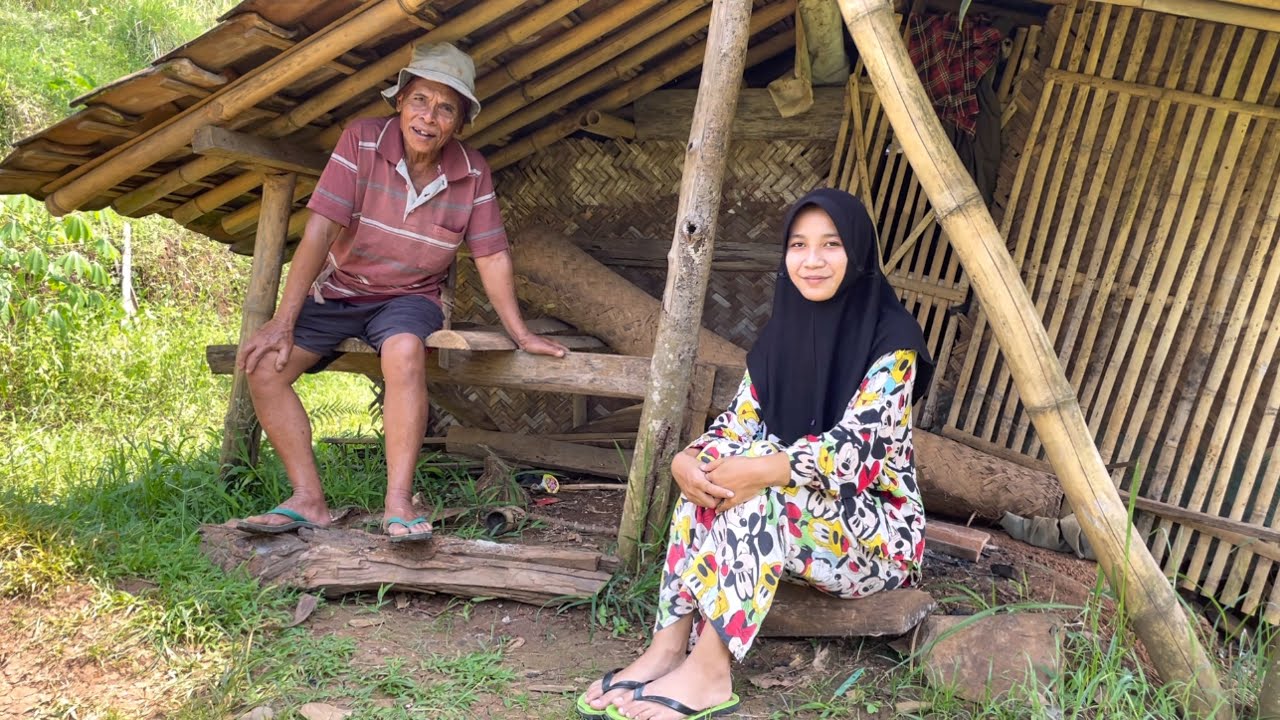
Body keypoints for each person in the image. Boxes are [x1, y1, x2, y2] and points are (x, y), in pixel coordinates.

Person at [577, 189, 935, 720]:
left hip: (878, 539)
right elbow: (738, 420)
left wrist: (761, 470)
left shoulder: (893, 341)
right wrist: (689, 460)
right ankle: (668, 646)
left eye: (831, 244)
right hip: (800, 521)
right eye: (799, 245)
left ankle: (709, 671)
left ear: (858, 251)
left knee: (753, 485)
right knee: (710, 480)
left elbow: (857, 453)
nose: (812, 260)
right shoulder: (780, 335)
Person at [234, 43, 566, 541]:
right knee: (264, 367)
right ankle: (308, 499)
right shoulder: (362, 140)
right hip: (340, 289)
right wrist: (283, 320)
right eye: (420, 101)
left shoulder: (472, 171)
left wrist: (520, 333)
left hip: (409, 297)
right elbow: (320, 230)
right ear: (400, 102)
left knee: (404, 351)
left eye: (446, 108)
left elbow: (492, 255)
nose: (429, 117)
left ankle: (398, 501)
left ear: (460, 123)